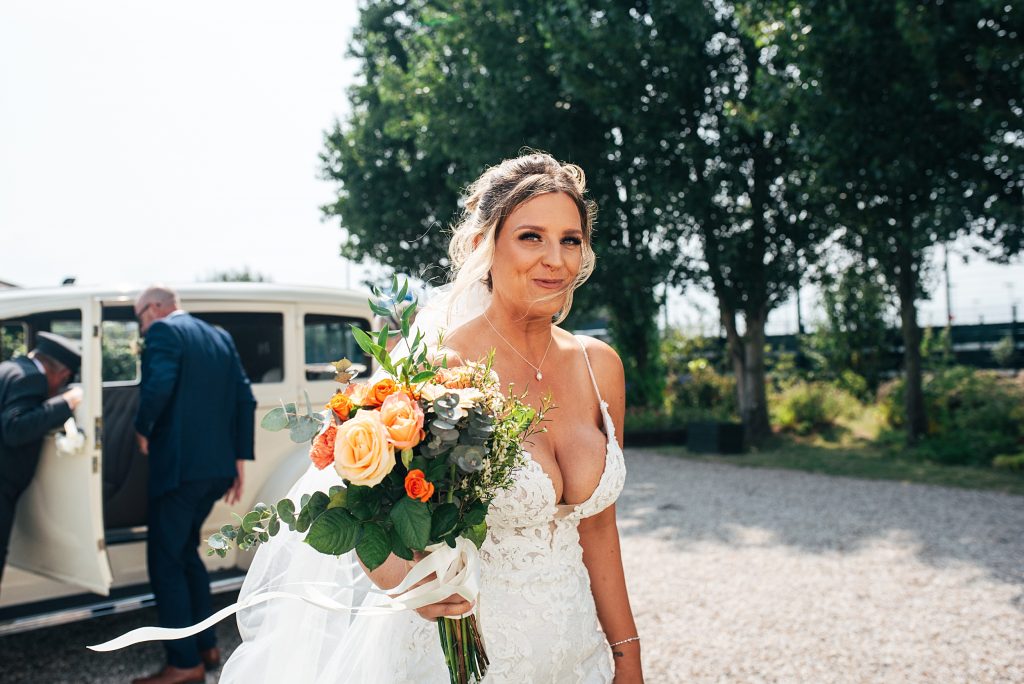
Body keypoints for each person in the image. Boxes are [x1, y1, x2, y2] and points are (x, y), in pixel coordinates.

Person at [222, 153, 643, 683]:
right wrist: (406, 582)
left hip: (578, 654)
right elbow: (369, 508)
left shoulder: (599, 366)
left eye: (570, 240)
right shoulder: (438, 371)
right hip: (468, 661)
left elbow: (599, 527)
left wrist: (627, 654)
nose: (555, 260)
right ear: (484, 245)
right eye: (531, 237)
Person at [132, 285, 256, 684]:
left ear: (153, 308)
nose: (141, 327)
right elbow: (245, 398)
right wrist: (238, 460)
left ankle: (184, 663)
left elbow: (158, 386)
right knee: (185, 552)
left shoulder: (163, 331)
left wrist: (142, 428)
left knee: (165, 562)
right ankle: (206, 646)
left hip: (180, 470)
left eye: (139, 317)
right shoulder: (219, 337)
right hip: (216, 469)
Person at [0, 332, 83, 588]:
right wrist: (65, 403)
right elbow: (15, 428)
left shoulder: (8, 369)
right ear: (62, 373)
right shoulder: (32, 378)